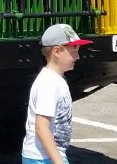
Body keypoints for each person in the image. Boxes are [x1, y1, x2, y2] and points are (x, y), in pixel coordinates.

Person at [21, 23, 91, 164]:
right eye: (74, 51)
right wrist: (58, 161)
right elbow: (41, 127)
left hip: (47, 157)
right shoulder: (48, 83)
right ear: (57, 51)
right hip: (41, 158)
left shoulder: (56, 79)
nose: (78, 57)